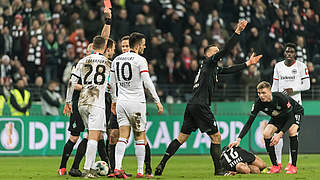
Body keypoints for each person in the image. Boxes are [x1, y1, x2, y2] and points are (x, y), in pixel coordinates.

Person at [154, 20, 262, 176]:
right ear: (209, 54)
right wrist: (237, 31)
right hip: (201, 106)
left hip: (192, 105)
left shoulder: (211, 68)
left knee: (181, 138)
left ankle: (161, 164)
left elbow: (229, 70)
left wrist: (248, 63)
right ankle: (219, 171)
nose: (218, 53)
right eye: (215, 51)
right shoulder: (209, 63)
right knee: (216, 137)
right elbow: (226, 50)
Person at [59, 8, 112, 177]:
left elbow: (71, 82)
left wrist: (68, 102)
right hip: (97, 102)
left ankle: (81, 168)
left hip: (82, 102)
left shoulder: (82, 60)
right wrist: (108, 20)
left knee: (90, 135)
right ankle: (88, 171)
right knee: (93, 137)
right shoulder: (107, 61)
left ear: (92, 47)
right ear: (103, 47)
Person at [109, 32, 163, 178]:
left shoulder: (116, 60)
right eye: (144, 44)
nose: (145, 46)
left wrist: (114, 100)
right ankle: (140, 171)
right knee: (140, 136)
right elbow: (147, 82)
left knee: (123, 137)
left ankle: (117, 168)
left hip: (121, 102)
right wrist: (157, 100)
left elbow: (112, 83)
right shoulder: (140, 60)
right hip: (136, 102)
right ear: (138, 45)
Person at [228, 81, 304, 174]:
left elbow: (291, 118)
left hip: (294, 113)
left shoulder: (280, 98)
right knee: (266, 133)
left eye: (263, 93)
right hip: (278, 117)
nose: (261, 95)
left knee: (292, 131)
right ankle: (275, 166)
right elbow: (249, 122)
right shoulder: (258, 103)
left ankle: (293, 166)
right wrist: (239, 139)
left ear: (270, 92)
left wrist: (280, 134)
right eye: (259, 93)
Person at [271, 43, 310, 172]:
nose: (289, 54)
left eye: (292, 52)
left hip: (295, 105)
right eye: (287, 52)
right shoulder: (278, 66)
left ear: (295, 54)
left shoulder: (301, 66)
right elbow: (274, 86)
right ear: (284, 53)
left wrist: (292, 89)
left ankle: (291, 164)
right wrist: (272, 102)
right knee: (277, 134)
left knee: (293, 133)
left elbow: (307, 85)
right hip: (281, 105)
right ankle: (278, 164)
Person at [107, 35, 130, 177]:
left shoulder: (138, 62)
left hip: (132, 105)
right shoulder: (116, 63)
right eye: (123, 46)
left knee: (141, 138)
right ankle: (114, 169)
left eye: (127, 46)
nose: (125, 48)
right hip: (117, 104)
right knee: (113, 136)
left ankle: (146, 169)